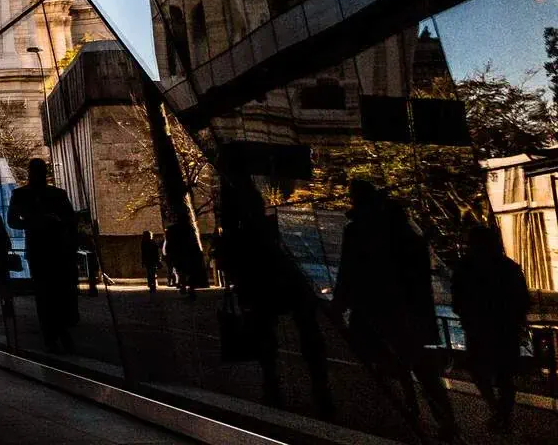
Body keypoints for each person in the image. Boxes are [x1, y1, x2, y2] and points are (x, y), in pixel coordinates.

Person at [333, 180, 456, 439]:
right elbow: (421, 268)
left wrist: (339, 305)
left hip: (375, 310)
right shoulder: (402, 229)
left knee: (388, 363)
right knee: (421, 367)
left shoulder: (357, 232)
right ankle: (444, 420)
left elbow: (349, 272)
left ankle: (406, 411)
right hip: (411, 309)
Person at [215, 160, 332, 417]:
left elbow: (228, 261)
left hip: (261, 286)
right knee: (306, 331)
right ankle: (319, 388)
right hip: (284, 284)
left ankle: (273, 385)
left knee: (266, 335)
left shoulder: (239, 233)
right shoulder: (274, 226)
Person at [453, 222, 528, 431]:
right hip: (505, 329)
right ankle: (503, 414)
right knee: (504, 376)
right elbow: (521, 299)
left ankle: (498, 411)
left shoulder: (464, 268)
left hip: (478, 329)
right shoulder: (508, 267)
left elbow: (457, 299)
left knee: (480, 372)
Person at [8, 159, 79, 353]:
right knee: (51, 293)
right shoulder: (54, 194)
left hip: (49, 248)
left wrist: (34, 222)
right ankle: (55, 332)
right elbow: (13, 221)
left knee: (49, 293)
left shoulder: (24, 195)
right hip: (49, 248)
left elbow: (13, 221)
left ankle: (54, 332)